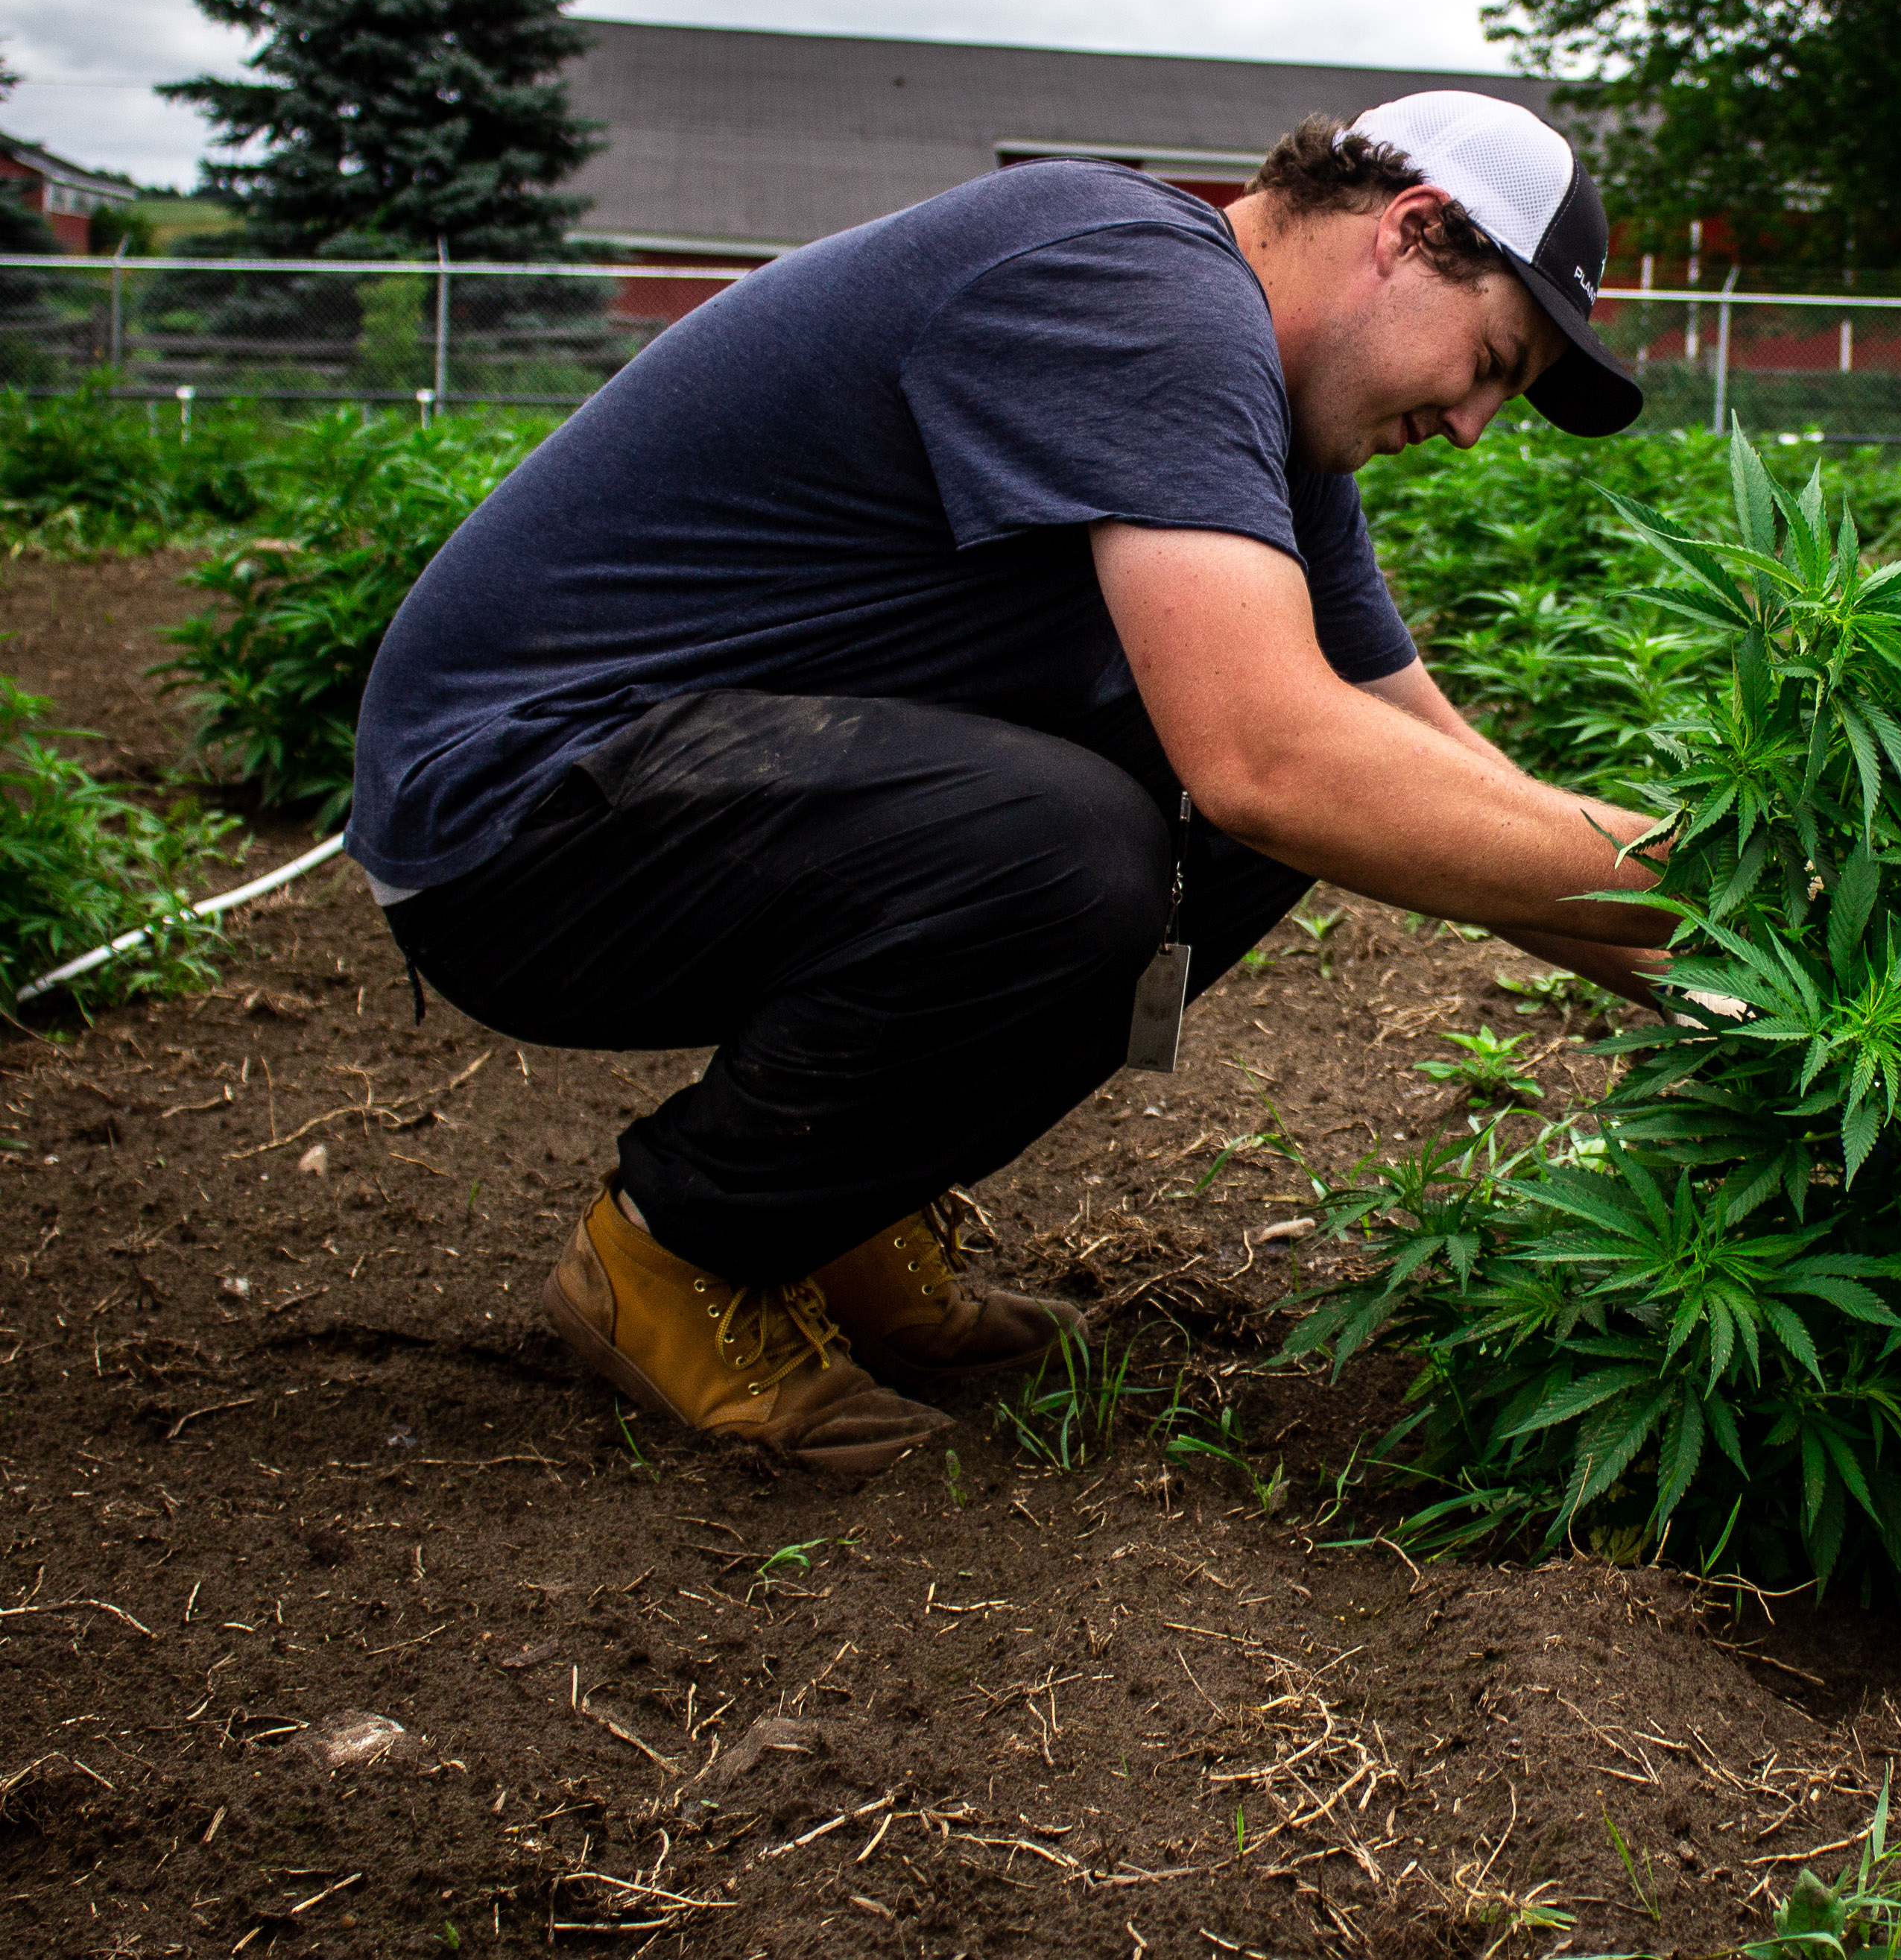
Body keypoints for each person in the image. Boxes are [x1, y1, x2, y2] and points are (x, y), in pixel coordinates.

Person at [348, 92, 1674, 1473]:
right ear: (1413, 231)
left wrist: (1759, 977)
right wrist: (1695, 870)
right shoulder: (1134, 284)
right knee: (1088, 839)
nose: (1468, 428)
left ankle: (839, 1212)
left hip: (696, 794)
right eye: (1489, 364)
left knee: (1279, 815)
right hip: (516, 813)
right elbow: (1271, 759)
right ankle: (678, 1257)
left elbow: (1431, 766)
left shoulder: (1264, 423)